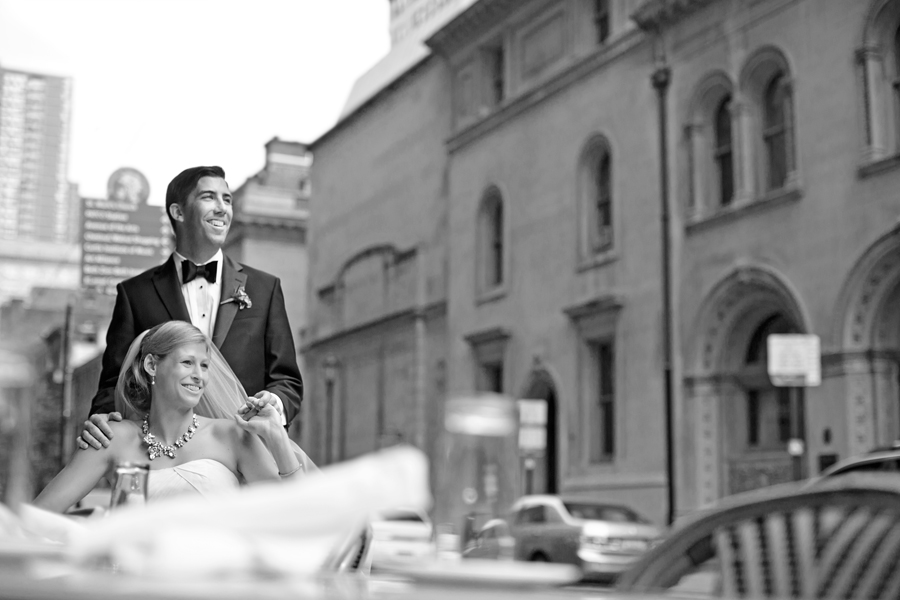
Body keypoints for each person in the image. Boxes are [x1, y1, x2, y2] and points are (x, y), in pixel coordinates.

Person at [80, 165, 303, 450]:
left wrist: (276, 403)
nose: (222, 208)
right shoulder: (135, 294)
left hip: (246, 453)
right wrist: (102, 417)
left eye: (227, 199)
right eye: (209, 197)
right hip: (163, 458)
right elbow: (114, 383)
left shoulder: (264, 289)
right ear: (178, 212)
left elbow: (286, 380)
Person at [34, 321, 304, 512]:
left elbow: (296, 518)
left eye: (205, 365)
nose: (199, 375)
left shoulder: (232, 436)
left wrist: (277, 437)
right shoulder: (114, 437)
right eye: (187, 362)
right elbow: (38, 516)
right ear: (152, 365)